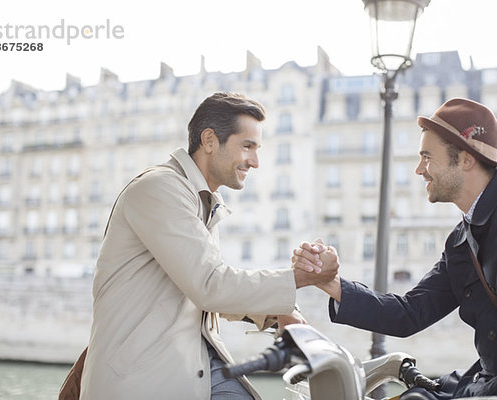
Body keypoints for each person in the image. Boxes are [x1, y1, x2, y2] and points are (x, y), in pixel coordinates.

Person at [293, 98, 497, 399]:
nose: (419, 169)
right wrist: (330, 283)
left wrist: (495, 392)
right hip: (494, 384)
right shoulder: (462, 238)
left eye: (427, 157)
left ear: (466, 159)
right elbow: (410, 313)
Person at [61, 92, 337, 400]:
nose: (255, 162)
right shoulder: (160, 189)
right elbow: (210, 285)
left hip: (190, 363)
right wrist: (302, 277)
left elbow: (208, 286)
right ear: (209, 141)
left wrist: (281, 311)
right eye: (247, 146)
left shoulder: (200, 198)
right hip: (143, 377)